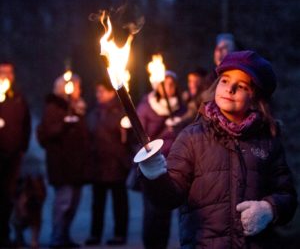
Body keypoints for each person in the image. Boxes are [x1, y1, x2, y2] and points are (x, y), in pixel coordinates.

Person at [138, 50, 297, 248]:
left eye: (241, 86)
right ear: (216, 84)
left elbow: (287, 196)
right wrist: (154, 176)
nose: (230, 89)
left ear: (255, 97)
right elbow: (169, 198)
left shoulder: (267, 140)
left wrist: (269, 209)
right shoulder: (191, 137)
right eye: (224, 80)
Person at [37, 73, 90, 248]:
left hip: (77, 164)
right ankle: (57, 237)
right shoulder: (54, 107)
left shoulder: (78, 107)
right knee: (63, 203)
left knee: (73, 203)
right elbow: (48, 132)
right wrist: (64, 124)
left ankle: (65, 236)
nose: (79, 90)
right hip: (62, 163)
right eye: (76, 87)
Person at [137, 70, 186, 249]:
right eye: (165, 84)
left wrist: (179, 125)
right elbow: (140, 135)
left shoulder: (182, 107)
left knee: (166, 209)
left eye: (172, 84)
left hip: (174, 164)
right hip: (154, 164)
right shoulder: (147, 107)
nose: (169, 88)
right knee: (151, 209)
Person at [85, 81, 132, 246]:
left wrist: (126, 131)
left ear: (112, 93)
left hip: (116, 163)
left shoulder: (121, 111)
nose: (99, 95)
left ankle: (120, 233)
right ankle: (95, 234)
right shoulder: (94, 112)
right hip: (98, 164)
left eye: (102, 91)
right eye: (97, 92)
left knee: (119, 201)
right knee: (97, 203)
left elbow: (129, 137)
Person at [0, 61, 31, 247]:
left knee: (8, 198)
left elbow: (26, 125)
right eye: (2, 72)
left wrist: (22, 148)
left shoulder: (18, 99)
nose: (5, 76)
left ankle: (5, 235)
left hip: (13, 157)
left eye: (9, 72)